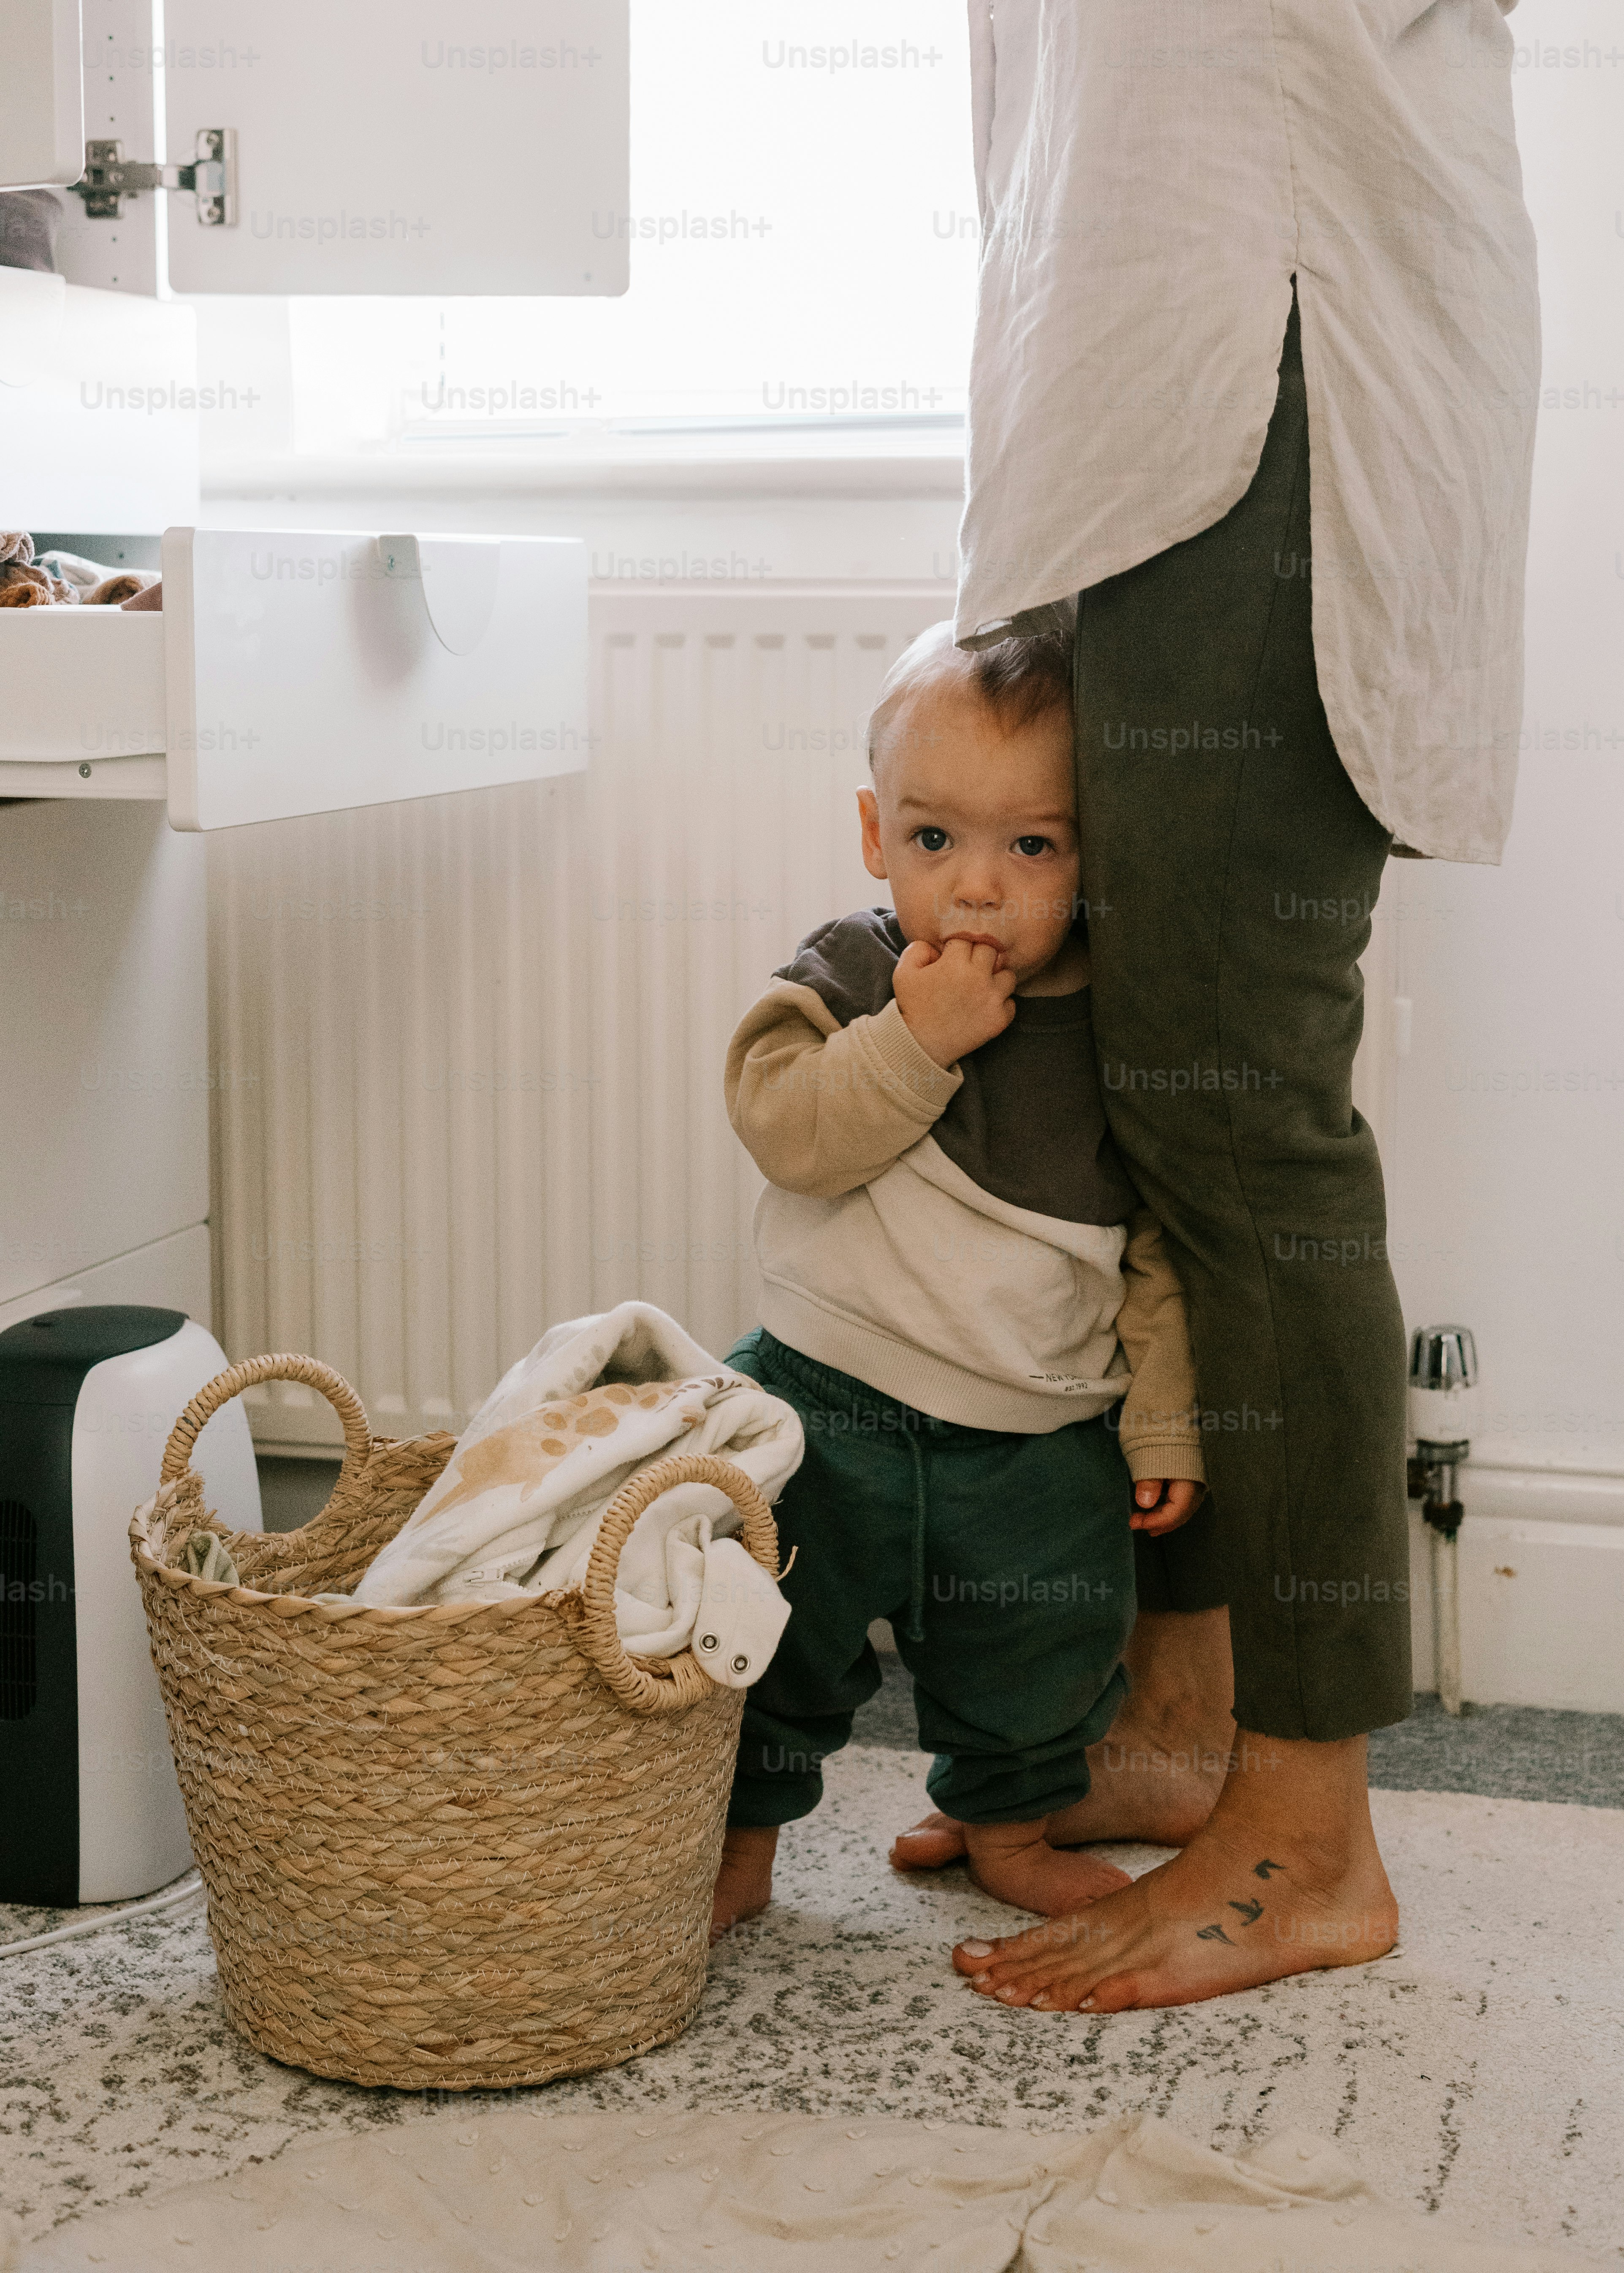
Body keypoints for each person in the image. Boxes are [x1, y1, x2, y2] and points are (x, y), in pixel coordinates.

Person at [890, 0, 1540, 2012]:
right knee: (1141, 1086)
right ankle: (1184, 1719)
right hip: (1126, 364)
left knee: (1238, 1114)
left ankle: (1304, 1837)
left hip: (1266, 359)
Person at [710, 622, 1205, 1936]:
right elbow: (788, 1133)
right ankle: (737, 1841)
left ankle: (1011, 1823)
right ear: (878, 834)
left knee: (1041, 1654)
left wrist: (1161, 1420)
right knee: (763, 1634)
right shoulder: (850, 974)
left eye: (1031, 847)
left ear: (1094, 849)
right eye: (936, 842)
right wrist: (912, 1041)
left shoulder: (1117, 1028)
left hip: (1037, 1437)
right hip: (826, 1400)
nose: (978, 890)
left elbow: (1154, 1246)